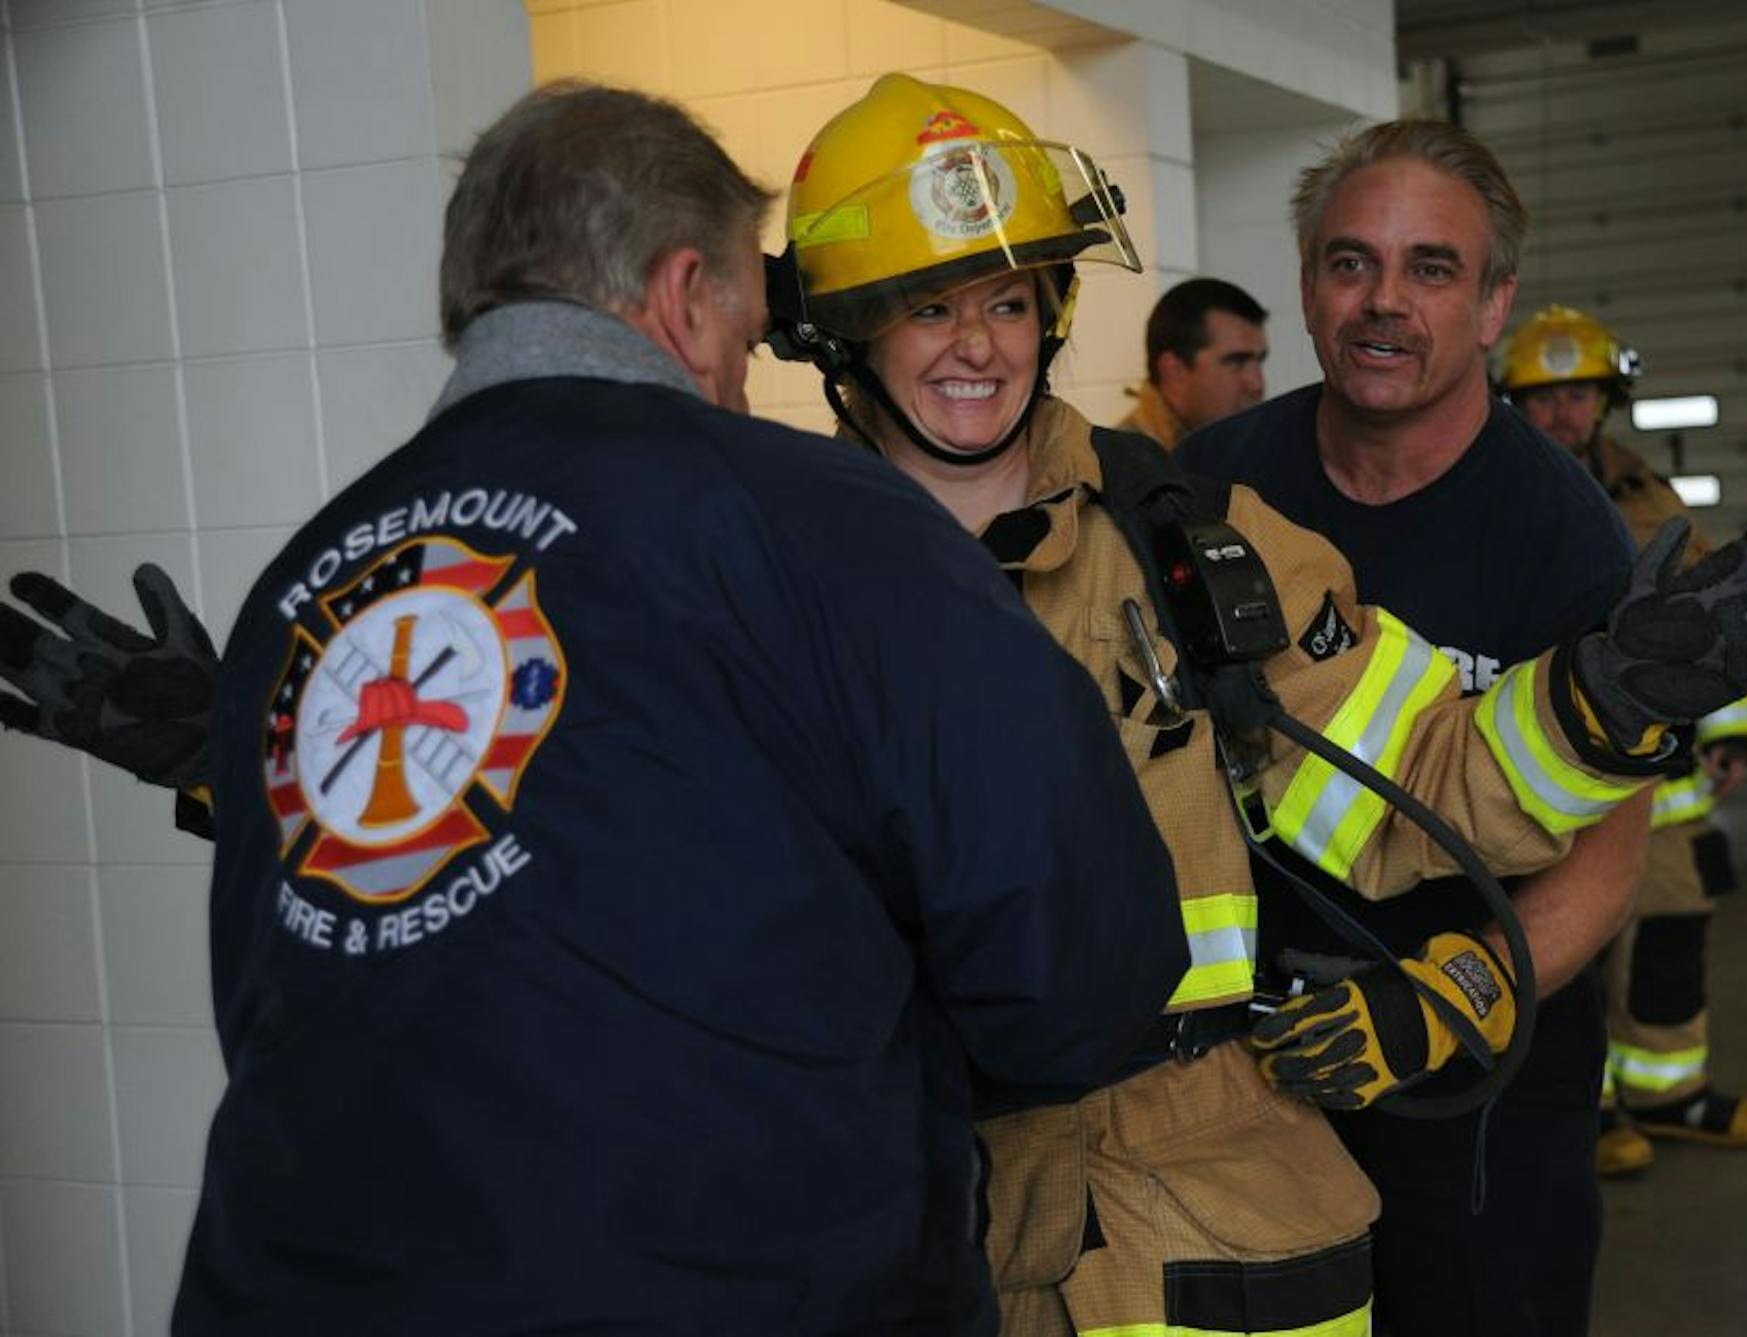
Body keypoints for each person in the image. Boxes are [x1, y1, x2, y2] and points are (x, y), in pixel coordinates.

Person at [0, 82, 1192, 1335]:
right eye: (743, 310)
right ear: (685, 294)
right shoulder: (831, 528)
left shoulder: (310, 580)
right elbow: (1086, 978)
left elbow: (319, 973)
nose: (742, 364)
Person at [777, 76, 1747, 1337]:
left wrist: (1603, 703)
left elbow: (1422, 777)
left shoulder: (1189, 536)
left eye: (1009, 298)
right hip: (915, 1180)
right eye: (926, 306)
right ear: (844, 331)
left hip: (1216, 1200)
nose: (979, 345)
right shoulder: (776, 582)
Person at [1178, 121, 1689, 1337]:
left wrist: (1442, 1001)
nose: (1384, 304)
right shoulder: (1210, 482)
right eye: (1351, 263)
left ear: (1494, 299)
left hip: (1483, 1088)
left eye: (1432, 269)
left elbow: (1609, 851)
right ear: (1309, 284)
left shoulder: (1560, 532)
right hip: (1245, 1068)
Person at [1499, 304, 1747, 1178]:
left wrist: (1733, 729)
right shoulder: (1498, 486)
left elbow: (1711, 609)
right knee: (1561, 946)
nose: (1561, 412)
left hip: (1660, 774)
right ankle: (1585, 1107)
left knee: (1668, 930)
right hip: (1545, 769)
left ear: (1606, 397)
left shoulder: (1643, 490)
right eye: (1543, 395)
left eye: (1577, 391)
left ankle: (1668, 1091)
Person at [1117, 276, 1270, 447]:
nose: (1257, 384)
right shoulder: (1120, 466)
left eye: (1260, 361)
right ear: (1175, 371)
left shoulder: (1233, 449)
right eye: (1236, 362)